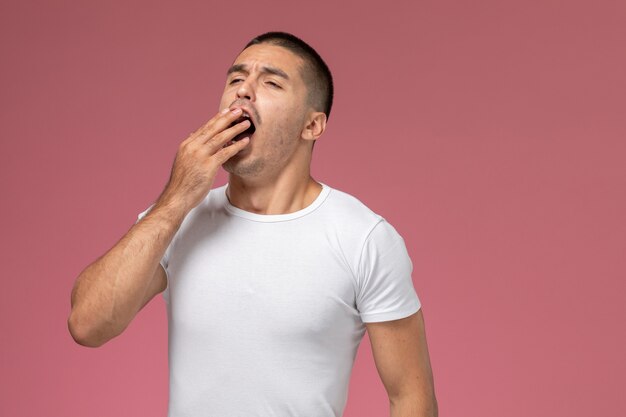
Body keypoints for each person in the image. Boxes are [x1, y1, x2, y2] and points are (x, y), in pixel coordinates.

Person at [68, 31, 438, 417]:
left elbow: (411, 396)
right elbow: (88, 325)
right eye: (236, 79)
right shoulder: (177, 218)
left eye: (271, 82)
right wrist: (177, 197)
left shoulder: (364, 238)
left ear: (312, 126)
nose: (244, 90)